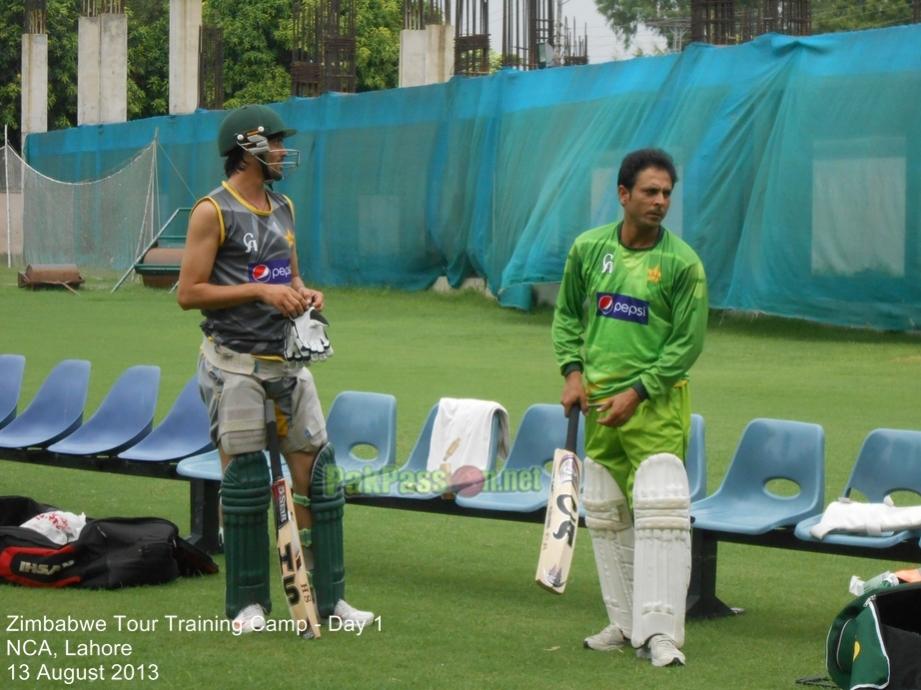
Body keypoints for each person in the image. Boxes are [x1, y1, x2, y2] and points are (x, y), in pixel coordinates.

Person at [177, 104, 373, 635]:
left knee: (318, 476)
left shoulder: (283, 205)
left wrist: (303, 294)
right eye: (278, 143)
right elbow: (188, 293)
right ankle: (247, 604)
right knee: (243, 485)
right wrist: (260, 289)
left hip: (288, 363)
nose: (285, 151)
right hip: (234, 365)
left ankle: (326, 596)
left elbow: (290, 274)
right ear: (250, 149)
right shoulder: (211, 211)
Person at [552, 148, 707, 667]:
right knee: (608, 511)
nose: (660, 201)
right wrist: (572, 373)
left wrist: (638, 392)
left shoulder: (682, 264)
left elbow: (684, 345)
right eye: (650, 191)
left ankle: (661, 635)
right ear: (623, 195)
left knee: (661, 510)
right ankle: (624, 621)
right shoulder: (588, 250)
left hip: (655, 406)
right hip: (599, 406)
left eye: (667, 193)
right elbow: (569, 316)